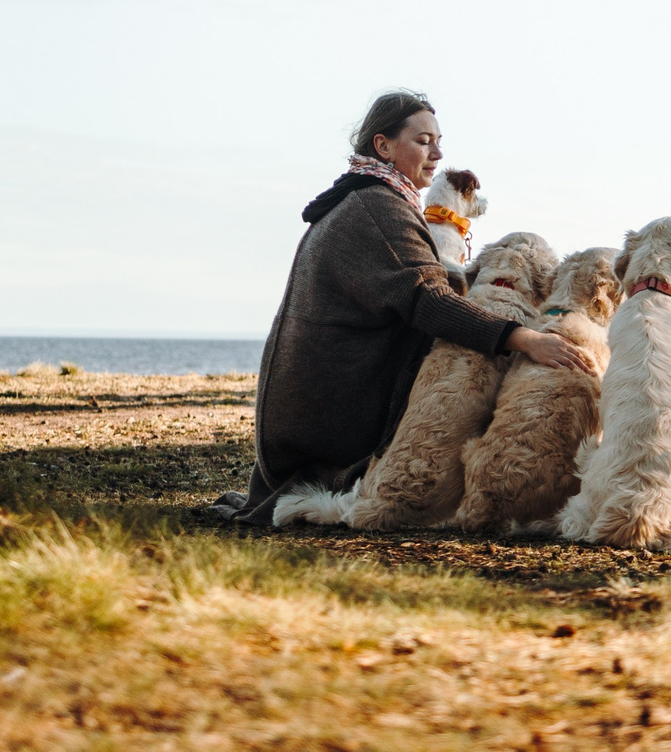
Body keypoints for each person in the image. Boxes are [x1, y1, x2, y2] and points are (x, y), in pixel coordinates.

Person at [210, 90, 587, 525]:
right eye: (424, 141)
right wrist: (523, 338)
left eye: (439, 141)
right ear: (383, 146)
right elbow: (429, 301)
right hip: (329, 418)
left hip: (304, 413)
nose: (438, 153)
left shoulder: (366, 197)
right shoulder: (377, 209)